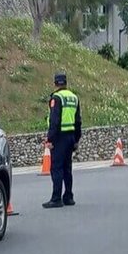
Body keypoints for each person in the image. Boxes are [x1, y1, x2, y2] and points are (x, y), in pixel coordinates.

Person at [43, 73, 82, 209]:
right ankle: (69, 196)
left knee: (56, 168)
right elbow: (78, 121)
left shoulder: (56, 98)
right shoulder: (74, 97)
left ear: (55, 84)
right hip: (71, 136)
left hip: (59, 137)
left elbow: (54, 121)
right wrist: (77, 139)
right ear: (65, 83)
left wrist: (49, 139)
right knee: (67, 168)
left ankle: (56, 198)